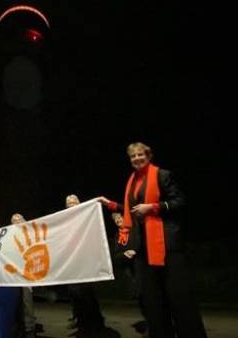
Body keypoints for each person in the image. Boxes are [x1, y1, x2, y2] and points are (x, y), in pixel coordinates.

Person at [98, 142, 208, 338]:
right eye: (133, 156)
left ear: (148, 156)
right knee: (152, 302)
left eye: (140, 155)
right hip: (142, 246)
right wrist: (111, 204)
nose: (137, 158)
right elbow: (131, 211)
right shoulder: (132, 180)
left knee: (179, 299)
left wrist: (153, 207)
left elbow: (180, 201)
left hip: (167, 245)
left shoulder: (161, 175)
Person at [65, 194, 106, 334]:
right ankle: (81, 323)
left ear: (79, 203)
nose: (71, 204)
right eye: (68, 202)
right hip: (72, 262)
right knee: (75, 294)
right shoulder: (64, 220)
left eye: (73, 201)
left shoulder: (86, 216)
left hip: (86, 261)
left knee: (88, 294)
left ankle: (96, 323)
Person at [10, 213, 38, 338]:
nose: (17, 222)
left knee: (27, 302)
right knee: (15, 302)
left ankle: (29, 329)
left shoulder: (29, 235)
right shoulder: (9, 236)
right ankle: (17, 327)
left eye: (19, 219)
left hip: (26, 274)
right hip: (13, 275)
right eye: (14, 221)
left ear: (24, 221)